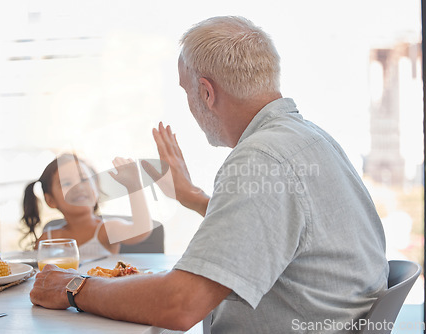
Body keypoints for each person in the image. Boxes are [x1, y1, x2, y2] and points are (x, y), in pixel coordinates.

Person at [30, 16, 388, 333]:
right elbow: (279, 227)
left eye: (187, 92)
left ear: (206, 92)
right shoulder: (309, 139)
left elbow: (180, 305)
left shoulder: (261, 159)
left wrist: (74, 288)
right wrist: (193, 197)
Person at [21, 153, 153, 257]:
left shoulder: (106, 230)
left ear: (96, 186)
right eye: (66, 183)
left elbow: (141, 230)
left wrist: (134, 186)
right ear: (50, 200)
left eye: (84, 179)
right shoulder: (48, 240)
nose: (78, 187)